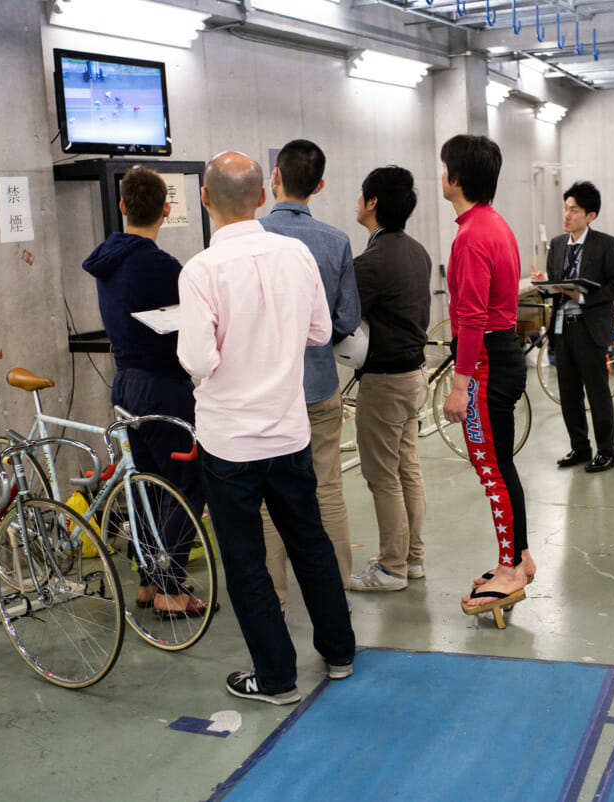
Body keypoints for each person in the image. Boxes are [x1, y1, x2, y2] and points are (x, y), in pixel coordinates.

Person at [176, 151, 355, 704]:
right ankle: (340, 652)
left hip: (229, 442)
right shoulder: (296, 253)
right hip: (288, 430)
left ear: (205, 200)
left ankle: (276, 678)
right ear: (261, 197)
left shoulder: (201, 270)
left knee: (247, 560)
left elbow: (197, 360)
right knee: (310, 541)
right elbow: (321, 330)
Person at [82, 165, 209, 618]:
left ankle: (147, 579)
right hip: (164, 388)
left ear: (121, 207)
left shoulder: (106, 261)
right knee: (186, 485)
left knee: (145, 486)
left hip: (126, 385)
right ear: (167, 210)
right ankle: (171, 589)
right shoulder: (162, 265)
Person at [259, 139, 360, 602]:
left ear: (274, 176)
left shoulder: (251, 238)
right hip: (319, 386)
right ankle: (336, 589)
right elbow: (344, 320)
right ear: (318, 185)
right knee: (328, 489)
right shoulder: (336, 241)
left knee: (267, 500)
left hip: (265, 395)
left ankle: (274, 597)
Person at [438, 134, 533, 617]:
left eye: (444, 169)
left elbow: (472, 316)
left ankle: (510, 567)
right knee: (502, 464)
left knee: (492, 471)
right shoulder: (493, 225)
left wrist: (460, 385)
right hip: (498, 355)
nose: (442, 176)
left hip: (487, 363)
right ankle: (518, 556)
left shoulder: (473, 234)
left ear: (455, 179)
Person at [346, 166, 432, 592]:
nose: (358, 201)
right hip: (415, 376)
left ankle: (392, 568)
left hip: (384, 381)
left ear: (373, 202)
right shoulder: (417, 251)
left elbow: (342, 317)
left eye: (362, 194)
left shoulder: (371, 262)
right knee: (407, 469)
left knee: (383, 477)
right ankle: (412, 559)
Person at [534, 181, 614, 470]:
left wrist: (583, 295)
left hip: (590, 328)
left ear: (590, 215)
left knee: (597, 393)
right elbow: (556, 284)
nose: (567, 214)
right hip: (563, 329)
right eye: (565, 208)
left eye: (574, 209)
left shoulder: (605, 244)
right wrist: (544, 282)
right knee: (569, 393)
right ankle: (580, 447)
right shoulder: (558, 245)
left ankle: (607, 450)